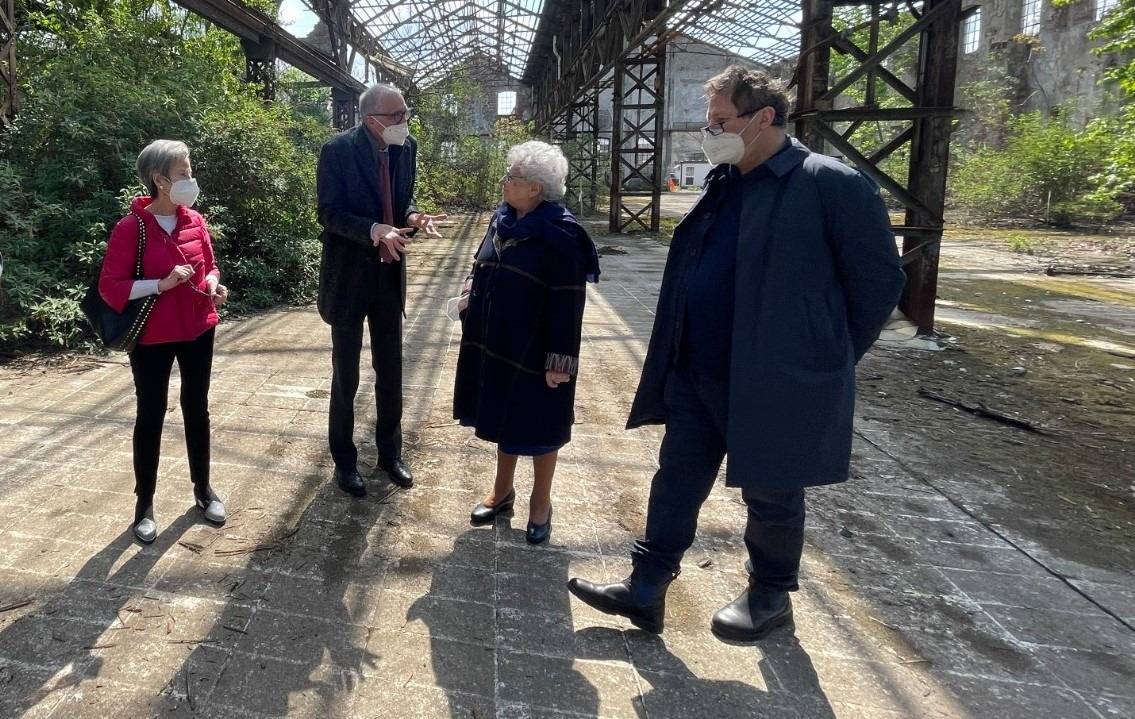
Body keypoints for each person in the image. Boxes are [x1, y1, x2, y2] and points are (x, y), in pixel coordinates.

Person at [567, 65, 906, 641]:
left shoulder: (830, 185)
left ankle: (770, 594)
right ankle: (646, 588)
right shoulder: (725, 182)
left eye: (720, 120)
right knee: (676, 477)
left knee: (772, 489)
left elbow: (878, 285)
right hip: (700, 368)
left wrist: (826, 356)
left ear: (764, 118)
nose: (710, 130)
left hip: (773, 376)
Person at [453, 141, 600, 544]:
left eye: (512, 178)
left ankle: (541, 501)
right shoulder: (502, 219)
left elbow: (569, 303)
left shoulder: (562, 235)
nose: (505, 182)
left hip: (536, 349)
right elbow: (480, 262)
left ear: (535, 187)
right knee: (503, 418)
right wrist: (471, 286)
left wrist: (560, 361)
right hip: (495, 340)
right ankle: (501, 492)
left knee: (538, 426)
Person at [316, 83, 446, 497]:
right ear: (372, 119)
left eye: (406, 114)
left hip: (390, 275)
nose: (405, 122)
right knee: (347, 374)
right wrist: (374, 229)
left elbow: (402, 200)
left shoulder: (407, 149)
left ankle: (391, 454)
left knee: (391, 370)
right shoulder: (337, 151)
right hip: (351, 278)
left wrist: (414, 216)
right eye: (397, 116)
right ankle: (345, 461)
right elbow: (329, 213)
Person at [98, 139, 229, 544]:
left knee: (197, 407)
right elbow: (111, 286)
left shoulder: (196, 220)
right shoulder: (131, 227)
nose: (191, 179)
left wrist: (212, 283)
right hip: (153, 336)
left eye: (190, 171)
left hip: (197, 327)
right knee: (151, 413)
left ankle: (203, 490)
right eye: (183, 173)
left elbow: (209, 266)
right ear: (159, 180)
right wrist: (161, 283)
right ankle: (145, 504)